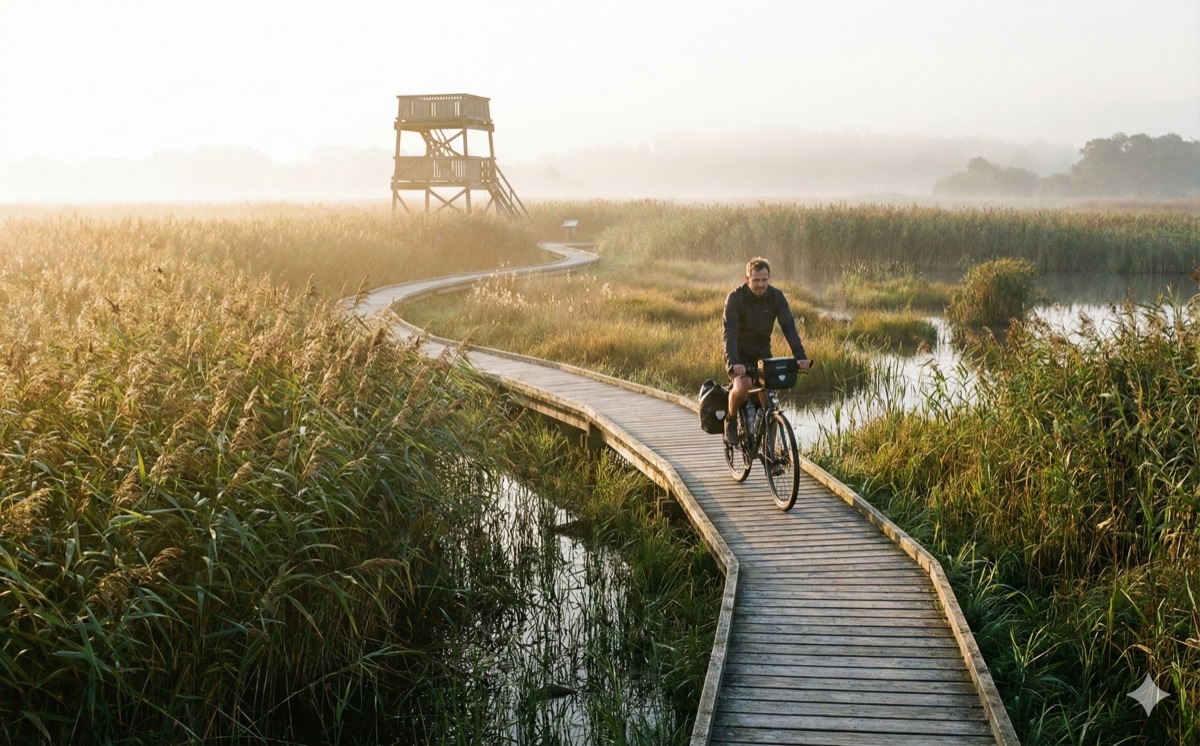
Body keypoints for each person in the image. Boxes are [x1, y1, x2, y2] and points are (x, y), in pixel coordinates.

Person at [722, 256, 810, 444]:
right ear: (747, 279)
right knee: (743, 386)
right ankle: (730, 419)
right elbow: (730, 333)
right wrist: (734, 362)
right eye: (756, 280)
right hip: (739, 355)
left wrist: (800, 356)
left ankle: (770, 449)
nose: (761, 285)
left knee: (769, 402)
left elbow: (789, 327)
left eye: (764, 280)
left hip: (763, 355)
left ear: (769, 278)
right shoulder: (735, 298)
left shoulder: (776, 297)